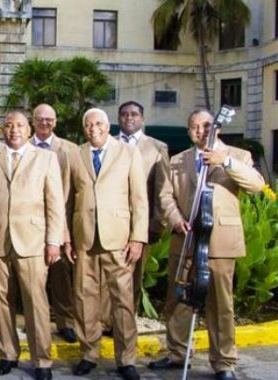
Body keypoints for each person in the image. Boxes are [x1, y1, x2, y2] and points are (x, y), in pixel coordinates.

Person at [148, 110, 264, 380]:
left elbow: (257, 185)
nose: (200, 131)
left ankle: (224, 362)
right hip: (186, 238)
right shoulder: (177, 160)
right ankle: (178, 353)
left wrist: (226, 162)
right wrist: (176, 220)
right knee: (178, 300)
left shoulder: (238, 156)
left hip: (221, 241)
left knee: (220, 304)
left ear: (217, 128)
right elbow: (164, 197)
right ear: (188, 131)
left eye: (206, 126)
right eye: (194, 127)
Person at [0, 111, 65, 380]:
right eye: (9, 126)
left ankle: (42, 360)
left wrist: (53, 242)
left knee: (36, 302)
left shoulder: (45, 158)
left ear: (29, 128)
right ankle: (7, 353)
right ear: (1, 130)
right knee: (0, 301)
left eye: (20, 125)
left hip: (33, 242)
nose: (14, 130)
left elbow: (55, 204)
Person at [67, 108, 148, 380]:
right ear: (84, 128)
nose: (94, 128)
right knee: (84, 298)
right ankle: (89, 353)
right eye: (88, 125)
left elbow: (139, 199)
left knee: (122, 300)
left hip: (119, 239)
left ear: (108, 124)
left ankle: (126, 359)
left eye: (99, 123)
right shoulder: (75, 154)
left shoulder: (127, 152)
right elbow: (67, 200)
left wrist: (138, 237)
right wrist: (66, 237)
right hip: (84, 239)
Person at [101, 101, 170, 335]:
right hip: (109, 224)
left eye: (134, 114)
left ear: (142, 118)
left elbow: (162, 190)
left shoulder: (157, 147)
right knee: (105, 279)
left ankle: (125, 326)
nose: (129, 118)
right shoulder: (107, 143)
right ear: (118, 118)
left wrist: (155, 227)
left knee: (132, 280)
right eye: (124, 114)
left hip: (139, 228)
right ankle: (105, 322)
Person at [30, 103, 79, 343]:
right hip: (29, 225)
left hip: (59, 223)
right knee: (30, 279)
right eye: (40, 119)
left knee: (61, 276)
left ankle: (65, 322)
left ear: (56, 122)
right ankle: (31, 321)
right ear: (32, 120)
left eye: (49, 119)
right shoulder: (20, 145)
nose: (45, 123)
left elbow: (73, 192)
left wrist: (66, 232)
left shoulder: (69, 150)